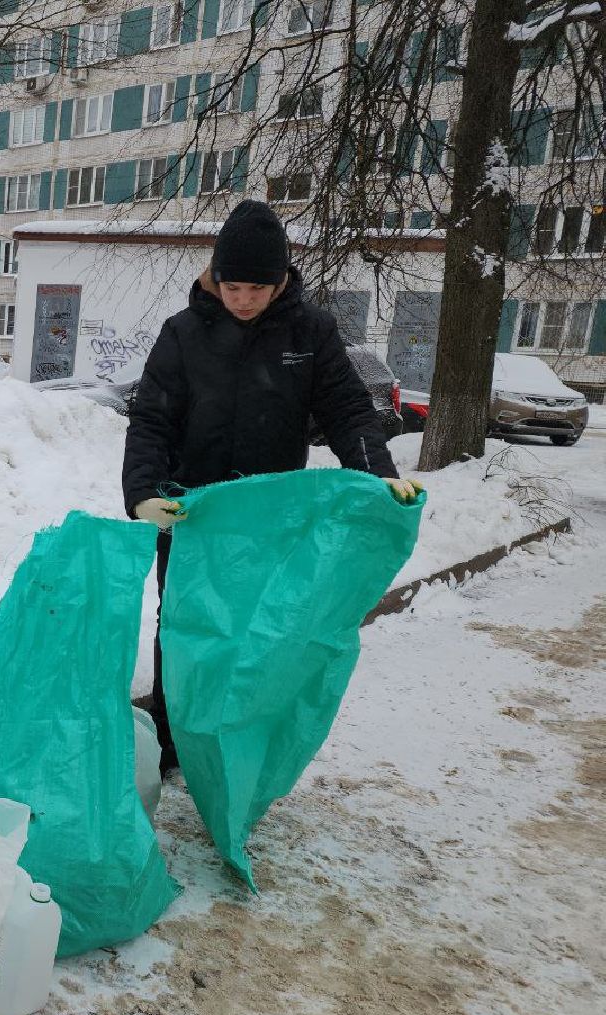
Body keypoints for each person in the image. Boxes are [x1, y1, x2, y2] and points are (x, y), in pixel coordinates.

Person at [121, 199, 423, 777]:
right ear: (215, 277)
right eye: (233, 286)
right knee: (184, 625)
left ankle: (240, 734)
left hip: (269, 515)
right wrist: (142, 492)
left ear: (282, 280)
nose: (243, 300)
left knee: (259, 625)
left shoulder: (310, 331)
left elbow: (349, 411)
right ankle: (172, 738)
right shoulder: (183, 333)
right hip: (194, 513)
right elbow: (152, 418)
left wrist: (377, 472)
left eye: (257, 289)